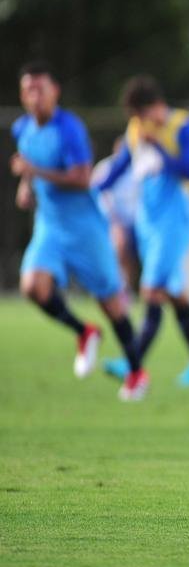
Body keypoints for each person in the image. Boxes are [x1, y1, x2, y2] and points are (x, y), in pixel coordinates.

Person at [9, 62, 141, 396]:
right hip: (50, 226)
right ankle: (84, 332)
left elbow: (82, 179)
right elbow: (28, 165)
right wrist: (26, 185)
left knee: (110, 303)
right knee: (32, 287)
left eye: (41, 88)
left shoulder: (69, 128)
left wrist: (34, 172)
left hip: (85, 229)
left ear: (55, 92)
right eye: (28, 90)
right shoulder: (23, 128)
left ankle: (137, 373)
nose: (34, 96)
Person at [96, 75, 189, 392]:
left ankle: (132, 360)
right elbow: (120, 166)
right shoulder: (137, 131)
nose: (139, 124)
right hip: (147, 218)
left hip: (175, 218)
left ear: (155, 107)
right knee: (175, 293)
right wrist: (92, 189)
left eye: (141, 116)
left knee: (151, 289)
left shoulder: (184, 126)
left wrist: (159, 147)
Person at [93, 137, 141, 295]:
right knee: (120, 246)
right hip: (114, 220)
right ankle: (119, 288)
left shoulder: (140, 167)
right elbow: (98, 193)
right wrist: (114, 220)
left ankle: (129, 288)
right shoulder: (106, 168)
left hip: (139, 221)